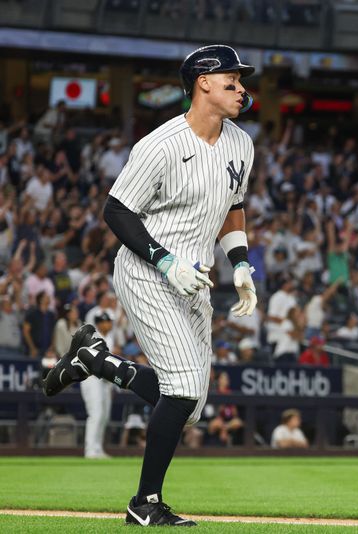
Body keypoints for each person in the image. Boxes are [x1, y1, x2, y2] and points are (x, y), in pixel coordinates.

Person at [43, 44, 257, 526]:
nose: (242, 88)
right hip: (146, 269)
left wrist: (241, 264)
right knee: (181, 391)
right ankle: (145, 503)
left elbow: (232, 207)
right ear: (203, 82)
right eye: (232, 80)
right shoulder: (160, 144)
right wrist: (163, 260)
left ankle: (95, 360)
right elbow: (116, 210)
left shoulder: (242, 142)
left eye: (241, 80)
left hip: (196, 279)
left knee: (191, 407)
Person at [81, 312, 115, 459]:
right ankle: (90, 450)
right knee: (96, 414)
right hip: (91, 379)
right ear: (98, 324)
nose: (108, 324)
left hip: (105, 382)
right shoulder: (92, 338)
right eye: (104, 322)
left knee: (104, 416)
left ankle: (98, 448)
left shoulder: (110, 338)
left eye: (109, 321)